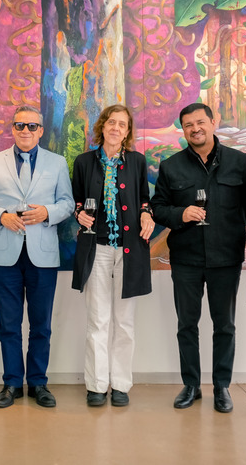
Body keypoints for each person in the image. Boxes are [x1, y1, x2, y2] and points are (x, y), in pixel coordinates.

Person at [151, 103, 246, 413]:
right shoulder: (171, 166)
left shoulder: (241, 162)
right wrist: (181, 214)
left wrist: (228, 226)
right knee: (187, 324)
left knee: (225, 325)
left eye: (200, 122)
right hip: (186, 257)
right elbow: (158, 209)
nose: (195, 128)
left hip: (226, 257)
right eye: (188, 125)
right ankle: (191, 385)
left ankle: (222, 387)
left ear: (213, 122)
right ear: (183, 130)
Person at [0, 105, 75, 408]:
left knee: (41, 325)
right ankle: (12, 383)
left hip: (43, 255)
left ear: (40, 131)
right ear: (13, 129)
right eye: (20, 125)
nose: (26, 131)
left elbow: (67, 203)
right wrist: (1, 216)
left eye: (32, 126)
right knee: (9, 324)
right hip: (5, 255)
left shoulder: (57, 163)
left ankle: (38, 383)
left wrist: (48, 212)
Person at [71, 104, 154, 407]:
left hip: (129, 251)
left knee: (125, 322)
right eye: (111, 122)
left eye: (122, 124)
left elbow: (144, 199)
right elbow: (76, 202)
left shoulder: (137, 161)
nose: (116, 128)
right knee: (98, 320)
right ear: (102, 126)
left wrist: (146, 214)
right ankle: (96, 385)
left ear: (127, 131)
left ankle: (120, 384)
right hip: (97, 249)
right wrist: (79, 214)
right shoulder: (83, 162)